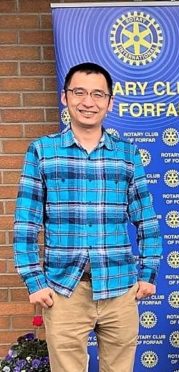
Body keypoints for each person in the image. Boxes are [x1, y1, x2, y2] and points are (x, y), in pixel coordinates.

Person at [13, 62, 162, 372]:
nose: (88, 102)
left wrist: (148, 272)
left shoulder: (127, 153)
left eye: (97, 94)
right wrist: (33, 280)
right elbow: (26, 223)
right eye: (79, 92)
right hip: (64, 289)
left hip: (119, 287)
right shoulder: (43, 151)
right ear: (65, 97)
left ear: (109, 102)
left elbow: (145, 219)